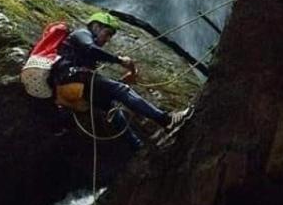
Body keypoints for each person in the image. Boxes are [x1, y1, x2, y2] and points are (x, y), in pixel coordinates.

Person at [50, 12, 189, 149]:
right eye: (108, 33)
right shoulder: (82, 33)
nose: (108, 39)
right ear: (96, 26)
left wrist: (123, 79)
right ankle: (166, 120)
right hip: (72, 79)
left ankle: (136, 146)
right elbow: (90, 49)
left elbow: (97, 77)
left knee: (111, 106)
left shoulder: (82, 51)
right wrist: (119, 60)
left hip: (71, 87)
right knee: (121, 90)